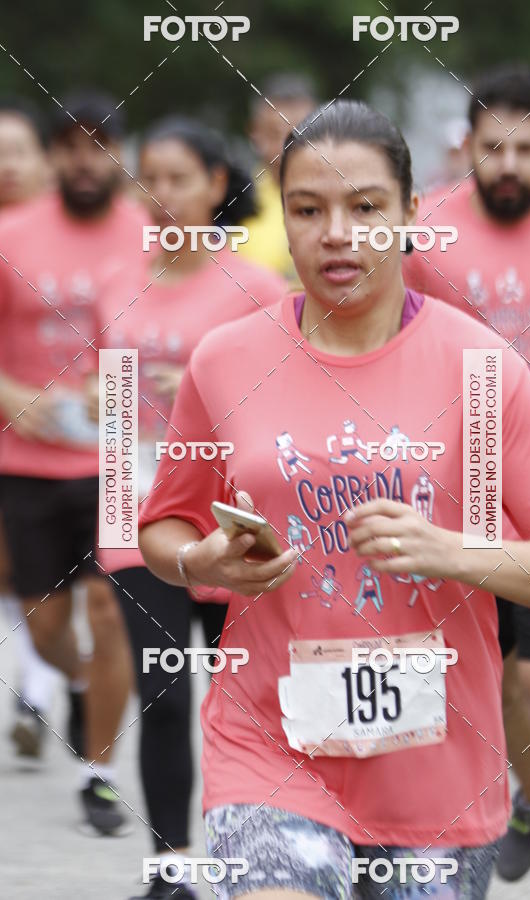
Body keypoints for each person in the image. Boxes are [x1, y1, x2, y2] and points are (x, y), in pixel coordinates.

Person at [138, 99, 530, 900]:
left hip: (437, 774)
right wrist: (196, 559)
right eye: (309, 210)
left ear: (412, 213)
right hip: (269, 744)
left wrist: (453, 552)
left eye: (365, 207)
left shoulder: (480, 366)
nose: (337, 233)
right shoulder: (227, 358)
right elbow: (161, 522)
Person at [403, 63, 530, 896]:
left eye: (526, 147)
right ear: (467, 148)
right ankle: (521, 802)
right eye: (493, 148)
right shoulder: (426, 231)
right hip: (456, 508)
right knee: (494, 696)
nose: (509, 164)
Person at [94, 116, 287, 899]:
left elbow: (294, 397)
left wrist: (215, 390)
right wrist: (112, 511)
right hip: (143, 519)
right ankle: (173, 866)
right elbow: (105, 395)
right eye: (149, 178)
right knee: (164, 693)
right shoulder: (118, 282)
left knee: (247, 702)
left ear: (216, 183)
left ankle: (262, 852)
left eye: (178, 178)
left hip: (235, 524)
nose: (161, 195)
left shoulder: (260, 288)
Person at [0, 90, 142, 835]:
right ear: (57, 157)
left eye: (102, 144)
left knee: (107, 610)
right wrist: (13, 396)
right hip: (25, 461)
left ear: (122, 154)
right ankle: (84, 686)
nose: (87, 160)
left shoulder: (148, 235)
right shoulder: (12, 233)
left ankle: (101, 774)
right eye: (74, 146)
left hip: (118, 460)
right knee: (48, 627)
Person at [0, 97, 58, 758]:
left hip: (73, 438)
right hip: (10, 424)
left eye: (18, 151)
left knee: (53, 576)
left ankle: (39, 690)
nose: (7, 166)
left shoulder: (92, 230)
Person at [237, 73, 317, 279]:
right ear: (254, 133)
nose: (287, 147)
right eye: (275, 134)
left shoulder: (346, 198)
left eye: (300, 135)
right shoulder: (230, 200)